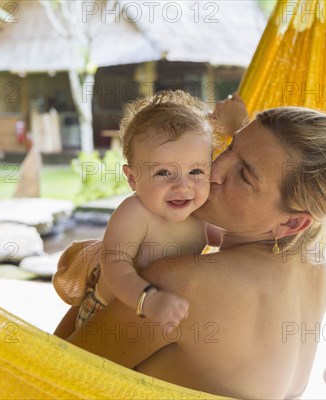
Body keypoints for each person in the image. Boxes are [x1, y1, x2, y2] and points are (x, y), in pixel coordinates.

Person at [55, 92, 326, 399]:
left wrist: (101, 272)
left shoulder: (180, 285)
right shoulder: (309, 258)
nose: (214, 170)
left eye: (244, 177)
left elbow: (49, 378)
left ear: (292, 223)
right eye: (229, 147)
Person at [54, 90, 214, 329]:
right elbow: (114, 264)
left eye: (196, 171)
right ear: (132, 178)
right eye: (163, 173)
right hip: (106, 317)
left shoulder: (203, 213)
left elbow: (237, 239)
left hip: (162, 317)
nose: (183, 186)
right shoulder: (135, 213)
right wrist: (147, 300)